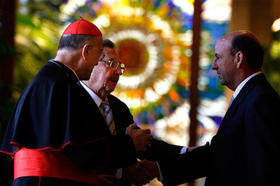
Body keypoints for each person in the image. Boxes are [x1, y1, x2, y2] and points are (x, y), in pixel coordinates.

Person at [0, 19, 144, 185]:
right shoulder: (66, 85)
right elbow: (87, 150)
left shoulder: (48, 79)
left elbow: (63, 152)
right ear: (86, 51)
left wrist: (89, 179)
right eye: (98, 53)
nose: (97, 62)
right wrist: (130, 143)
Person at [157, 30, 280, 186]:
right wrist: (159, 169)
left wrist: (156, 169)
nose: (214, 66)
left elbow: (264, 169)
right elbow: (223, 154)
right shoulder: (250, 96)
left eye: (218, 57)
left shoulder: (260, 101)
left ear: (239, 58)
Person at [80, 39, 187, 185]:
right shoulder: (72, 101)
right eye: (112, 64)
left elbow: (143, 145)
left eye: (120, 67)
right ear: (93, 64)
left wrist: (185, 152)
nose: (118, 72)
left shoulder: (119, 108)